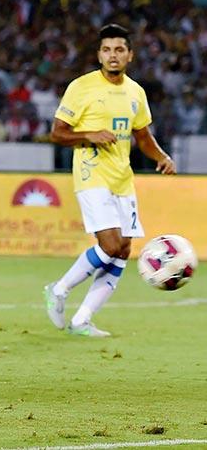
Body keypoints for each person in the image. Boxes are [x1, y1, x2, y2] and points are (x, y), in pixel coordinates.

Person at [44, 24, 176, 337]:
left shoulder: (135, 92)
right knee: (110, 244)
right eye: (107, 49)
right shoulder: (82, 87)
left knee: (124, 250)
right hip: (91, 175)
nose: (112, 55)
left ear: (129, 55)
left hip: (122, 178)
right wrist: (88, 134)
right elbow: (57, 133)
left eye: (119, 50)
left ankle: (82, 320)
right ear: (99, 54)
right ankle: (58, 289)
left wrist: (161, 157)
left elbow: (142, 136)